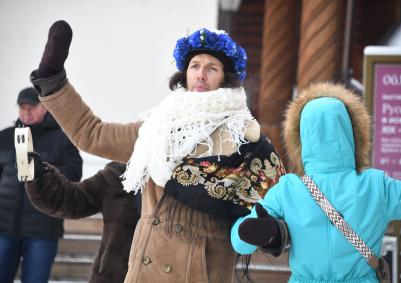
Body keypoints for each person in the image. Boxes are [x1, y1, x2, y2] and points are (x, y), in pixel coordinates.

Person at [29, 21, 286, 282]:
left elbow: (277, 203)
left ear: (225, 78)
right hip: (145, 271)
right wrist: (53, 80)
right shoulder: (156, 128)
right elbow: (92, 134)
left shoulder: (242, 136)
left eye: (212, 68)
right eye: (194, 66)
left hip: (201, 273)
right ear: (184, 74)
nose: (201, 74)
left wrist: (272, 233)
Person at [231, 83, 401, 283]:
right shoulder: (376, 186)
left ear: (300, 138)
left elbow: (239, 242)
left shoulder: (288, 190)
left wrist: (258, 232)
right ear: (353, 134)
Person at [0, 87, 82, 283]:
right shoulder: (4, 137)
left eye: (32, 107)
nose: (26, 113)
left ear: (44, 107)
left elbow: (74, 173)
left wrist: (43, 170)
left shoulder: (62, 139)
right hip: (3, 226)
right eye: (22, 108)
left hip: (42, 229)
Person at [25, 153, 139, 283]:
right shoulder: (119, 174)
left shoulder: (167, 184)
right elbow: (70, 199)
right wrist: (40, 175)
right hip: (113, 276)